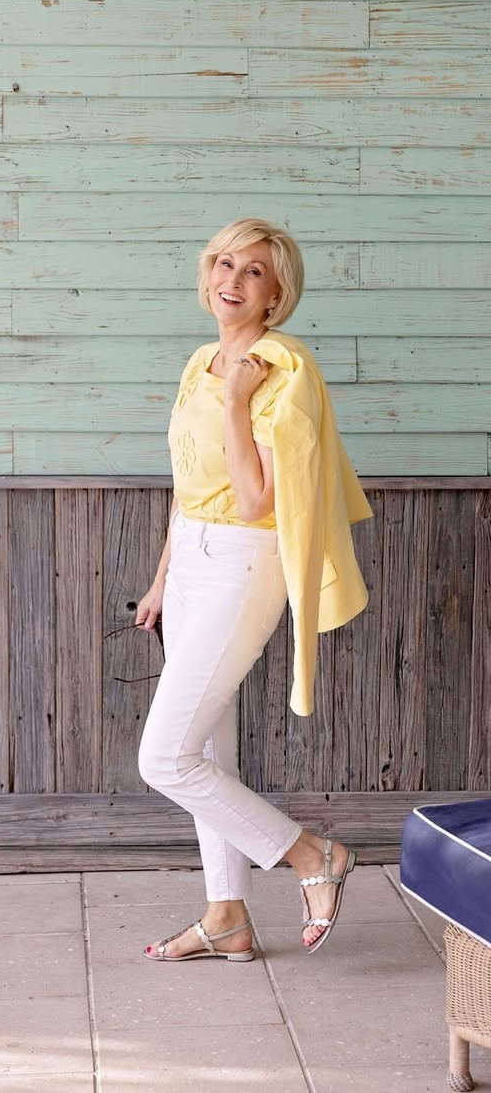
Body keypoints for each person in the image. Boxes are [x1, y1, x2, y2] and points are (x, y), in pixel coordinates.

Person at [135, 217, 372, 962]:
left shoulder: (281, 369)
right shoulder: (200, 359)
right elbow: (189, 485)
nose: (232, 280)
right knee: (207, 746)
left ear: (276, 296)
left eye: (255, 272)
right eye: (224, 263)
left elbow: (252, 500)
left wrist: (239, 403)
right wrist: (163, 578)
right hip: (197, 561)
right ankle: (227, 915)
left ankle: (311, 855)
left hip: (245, 560)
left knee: (164, 758)